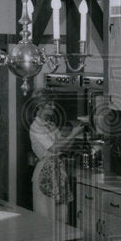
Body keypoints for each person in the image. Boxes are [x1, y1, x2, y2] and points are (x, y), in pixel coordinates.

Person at [29, 92, 85, 222]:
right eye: (50, 104)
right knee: (45, 215)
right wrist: (73, 134)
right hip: (45, 172)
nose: (53, 107)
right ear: (39, 106)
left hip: (59, 171)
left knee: (60, 215)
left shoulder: (51, 125)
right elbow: (54, 148)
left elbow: (64, 147)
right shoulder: (36, 127)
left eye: (53, 104)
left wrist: (74, 134)